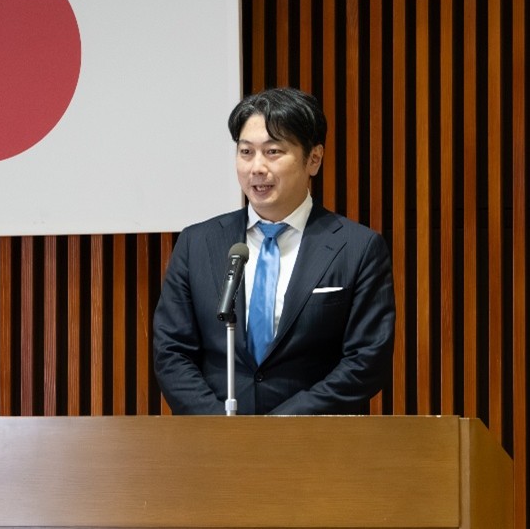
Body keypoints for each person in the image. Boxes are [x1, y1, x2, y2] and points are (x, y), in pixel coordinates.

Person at [153, 87, 395, 414]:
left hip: (315, 437)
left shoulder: (357, 248)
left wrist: (278, 427)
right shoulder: (197, 243)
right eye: (246, 152)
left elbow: (366, 360)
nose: (256, 167)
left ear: (313, 159)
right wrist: (219, 426)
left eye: (273, 151)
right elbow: (172, 351)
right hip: (217, 436)